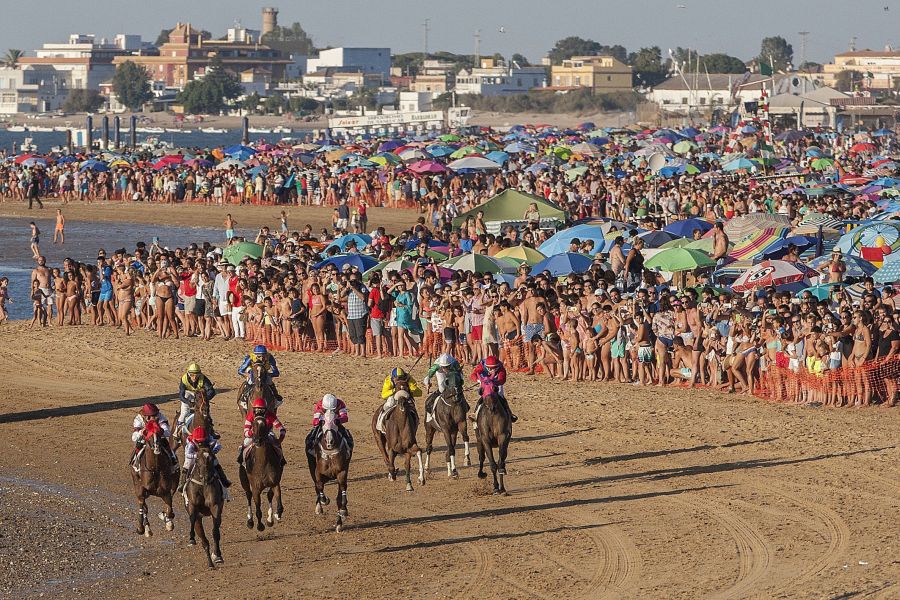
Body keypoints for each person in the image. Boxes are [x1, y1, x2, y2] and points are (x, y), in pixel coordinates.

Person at [178, 426, 231, 496]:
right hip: (194, 455)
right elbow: (187, 454)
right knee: (187, 464)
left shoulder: (209, 437)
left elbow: (218, 446)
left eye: (202, 440)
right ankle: (182, 483)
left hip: (207, 453)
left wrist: (212, 452)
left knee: (216, 463)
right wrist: (196, 456)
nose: (201, 442)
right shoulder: (191, 442)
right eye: (199, 441)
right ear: (194, 439)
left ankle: (224, 480)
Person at [238, 398, 287, 466]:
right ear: (254, 409)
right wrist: (252, 433)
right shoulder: (251, 415)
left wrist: (280, 440)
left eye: (261, 409)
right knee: (245, 443)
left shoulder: (270, 415)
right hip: (254, 433)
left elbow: (282, 429)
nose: (259, 411)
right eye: (257, 409)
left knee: (276, 445)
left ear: (265, 409)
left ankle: (281, 460)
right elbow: (246, 431)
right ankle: (242, 461)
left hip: (267, 433)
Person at [470, 355, 517, 422]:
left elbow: (502, 380)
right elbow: (473, 374)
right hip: (485, 383)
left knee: (501, 396)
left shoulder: (501, 368)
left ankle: (509, 413)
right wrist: (479, 380)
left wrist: (493, 383)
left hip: (495, 383)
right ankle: (475, 413)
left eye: (493, 368)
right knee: (482, 397)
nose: (491, 370)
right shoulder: (482, 364)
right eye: (489, 368)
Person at [131, 403, 177, 469]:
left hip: (158, 437)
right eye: (151, 415)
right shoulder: (138, 419)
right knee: (138, 446)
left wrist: (160, 430)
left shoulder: (160, 416)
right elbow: (134, 437)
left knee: (167, 446)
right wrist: (142, 432)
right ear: (145, 416)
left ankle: (173, 461)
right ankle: (135, 463)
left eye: (154, 415)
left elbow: (168, 432)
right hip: (144, 439)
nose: (153, 417)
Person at [376, 367, 422, 432]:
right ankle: (380, 423)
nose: (399, 381)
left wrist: (409, 390)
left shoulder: (409, 379)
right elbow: (383, 395)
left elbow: (420, 393)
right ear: (393, 377)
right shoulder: (388, 381)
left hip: (405, 394)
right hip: (393, 396)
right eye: (397, 379)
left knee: (411, 405)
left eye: (401, 378)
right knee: (389, 404)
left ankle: (416, 423)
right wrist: (394, 390)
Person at [177, 362, 218, 433]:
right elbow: (181, 395)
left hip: (199, 394)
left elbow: (212, 392)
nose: (194, 377)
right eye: (192, 375)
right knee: (184, 411)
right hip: (188, 393)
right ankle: (177, 430)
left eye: (196, 375)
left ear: (200, 374)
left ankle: (211, 429)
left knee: (206, 412)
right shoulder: (184, 379)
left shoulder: (204, 378)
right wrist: (188, 402)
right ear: (188, 374)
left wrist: (204, 399)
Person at [423, 353, 465, 418]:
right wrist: (427, 383)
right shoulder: (436, 365)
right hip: (440, 373)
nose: (445, 369)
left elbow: (460, 375)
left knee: (455, 386)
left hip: (452, 372)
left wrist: (460, 383)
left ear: (450, 364)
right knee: (442, 387)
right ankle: (432, 403)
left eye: (447, 366)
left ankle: (464, 405)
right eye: (443, 367)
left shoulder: (455, 363)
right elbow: (427, 377)